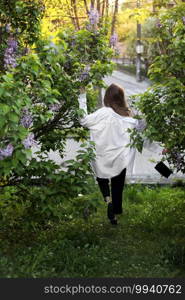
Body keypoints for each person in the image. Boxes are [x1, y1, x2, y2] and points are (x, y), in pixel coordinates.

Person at [78, 83, 143, 225]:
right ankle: (115, 212)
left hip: (101, 156)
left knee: (102, 179)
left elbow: (83, 120)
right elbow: (141, 130)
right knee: (117, 185)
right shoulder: (127, 115)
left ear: (107, 97)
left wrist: (82, 97)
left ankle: (108, 200)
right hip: (120, 157)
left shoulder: (103, 112)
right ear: (121, 98)